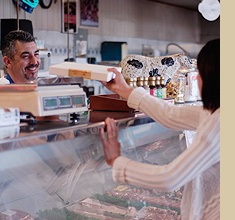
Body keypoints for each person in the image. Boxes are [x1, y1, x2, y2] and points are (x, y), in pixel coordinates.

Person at [99, 39, 220, 220]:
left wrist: (116, 161)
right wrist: (123, 89)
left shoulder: (219, 123)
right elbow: (171, 114)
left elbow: (169, 178)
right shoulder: (216, 112)